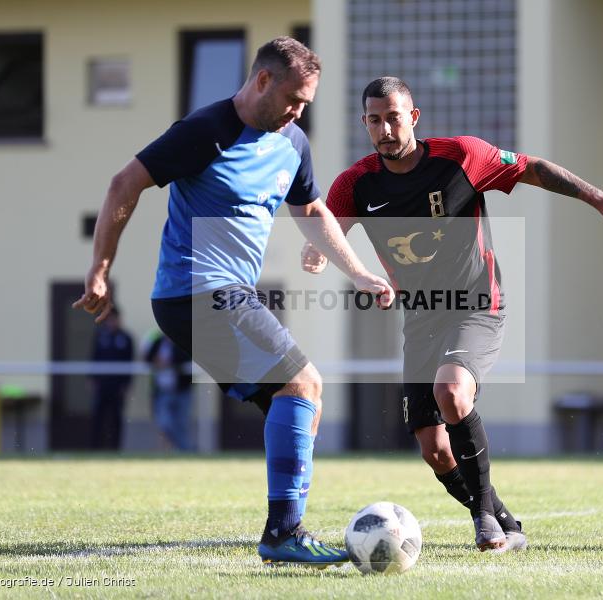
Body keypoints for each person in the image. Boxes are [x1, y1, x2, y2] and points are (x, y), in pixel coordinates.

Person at [73, 37, 393, 567]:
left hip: (223, 294)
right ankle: (283, 535)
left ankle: (282, 528)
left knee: (293, 406)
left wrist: (357, 271)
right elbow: (124, 182)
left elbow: (310, 210)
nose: (298, 111)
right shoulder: (206, 131)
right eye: (294, 99)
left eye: (307, 104)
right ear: (262, 80)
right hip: (195, 288)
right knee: (304, 382)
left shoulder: (292, 143)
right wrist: (101, 267)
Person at [302, 76, 603, 552]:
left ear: (413, 117)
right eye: (375, 120)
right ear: (365, 123)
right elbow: (328, 229)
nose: (385, 129)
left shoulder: (462, 156)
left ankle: (484, 520)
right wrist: (318, 250)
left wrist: (598, 199)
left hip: (476, 304)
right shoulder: (356, 183)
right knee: (434, 450)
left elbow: (533, 168)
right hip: (421, 316)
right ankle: (505, 521)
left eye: (394, 117)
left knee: (451, 391)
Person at [90, 307, 134, 450]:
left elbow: (130, 363)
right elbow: (93, 358)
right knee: (98, 417)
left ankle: (115, 449)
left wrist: (127, 385)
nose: (112, 322)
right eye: (109, 319)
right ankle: (95, 448)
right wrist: (91, 379)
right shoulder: (100, 337)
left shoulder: (126, 338)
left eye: (114, 318)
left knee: (116, 418)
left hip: (117, 387)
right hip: (102, 385)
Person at [144, 331, 194, 451]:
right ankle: (186, 449)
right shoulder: (157, 342)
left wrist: (170, 362)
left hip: (182, 391)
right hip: (162, 392)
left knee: (181, 423)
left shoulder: (182, 341)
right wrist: (156, 361)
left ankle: (182, 451)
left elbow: (187, 359)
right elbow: (148, 359)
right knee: (164, 423)